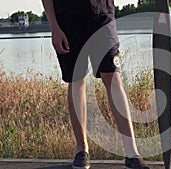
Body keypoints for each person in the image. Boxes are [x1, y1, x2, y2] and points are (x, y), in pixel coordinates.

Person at [41, 0, 151, 169]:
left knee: (113, 78)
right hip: (67, 19)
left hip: (102, 15)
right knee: (77, 80)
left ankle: (132, 154)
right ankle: (82, 151)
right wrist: (54, 27)